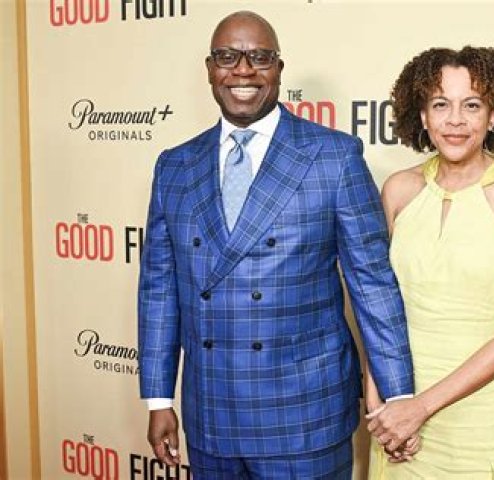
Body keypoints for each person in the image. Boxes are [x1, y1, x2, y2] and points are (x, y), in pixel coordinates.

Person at [137, 11, 413, 479]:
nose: (243, 70)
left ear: (279, 68)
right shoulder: (175, 166)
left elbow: (373, 284)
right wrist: (159, 398)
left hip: (305, 415)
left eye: (260, 58)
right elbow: (159, 290)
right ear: (210, 69)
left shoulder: (334, 156)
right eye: (228, 57)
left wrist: (399, 394)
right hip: (211, 413)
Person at [366, 46, 494, 479]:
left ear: (493, 116)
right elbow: (378, 306)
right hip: (401, 412)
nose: (455, 120)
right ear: (422, 115)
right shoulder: (398, 190)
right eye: (441, 105)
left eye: (472, 105)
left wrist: (421, 408)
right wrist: (380, 400)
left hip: (492, 419)